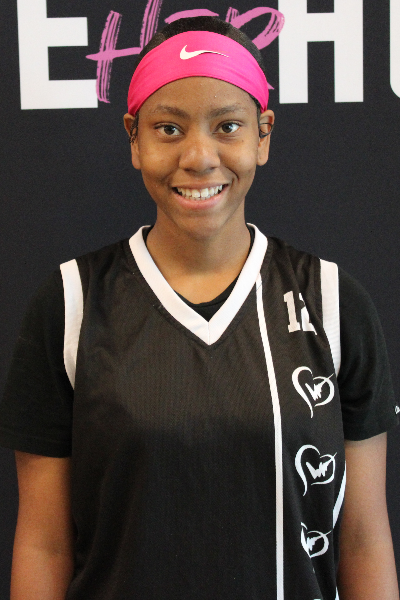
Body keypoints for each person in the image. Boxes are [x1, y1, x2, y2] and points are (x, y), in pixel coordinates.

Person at [0, 15, 398, 600]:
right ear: (134, 139)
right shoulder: (71, 304)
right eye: (168, 129)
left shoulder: (333, 302)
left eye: (227, 126)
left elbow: (362, 539)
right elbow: (44, 544)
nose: (199, 157)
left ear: (263, 135)